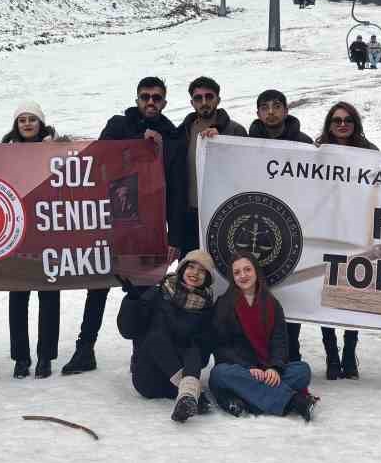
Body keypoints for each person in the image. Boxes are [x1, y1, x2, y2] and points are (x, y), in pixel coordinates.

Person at [60, 76, 186, 376]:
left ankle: (142, 353)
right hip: (112, 220)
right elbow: (97, 160)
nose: (151, 102)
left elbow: (176, 190)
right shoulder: (118, 125)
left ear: (165, 102)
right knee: (98, 287)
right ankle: (84, 348)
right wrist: (137, 146)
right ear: (137, 99)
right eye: (145, 97)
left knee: (144, 294)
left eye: (157, 97)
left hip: (147, 227)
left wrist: (174, 236)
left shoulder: (172, 135)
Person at [208, 253, 317, 421]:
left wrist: (275, 368)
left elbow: (280, 342)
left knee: (302, 370)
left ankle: (244, 398)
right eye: (237, 272)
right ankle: (293, 400)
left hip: (266, 369)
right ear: (232, 277)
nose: (243, 275)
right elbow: (220, 346)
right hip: (240, 369)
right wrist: (247, 368)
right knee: (219, 374)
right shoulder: (224, 303)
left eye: (247, 270)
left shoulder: (272, 304)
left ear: (256, 272)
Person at [2, 102, 67, 378]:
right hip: (17, 233)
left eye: (32, 119)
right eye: (22, 120)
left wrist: (64, 147)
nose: (27, 124)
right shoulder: (3, 153)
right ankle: (21, 357)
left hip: (49, 231)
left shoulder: (57, 150)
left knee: (49, 297)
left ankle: (45, 357)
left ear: (41, 123)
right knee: (18, 297)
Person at [114, 250, 217, 423]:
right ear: (182, 269)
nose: (195, 273)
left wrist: (194, 344)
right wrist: (132, 302)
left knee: (193, 348)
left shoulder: (206, 309)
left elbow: (203, 358)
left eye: (201, 271)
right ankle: (193, 393)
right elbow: (128, 331)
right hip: (149, 376)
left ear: (206, 278)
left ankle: (188, 396)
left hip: (178, 383)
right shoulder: (158, 293)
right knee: (156, 336)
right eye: (191, 267)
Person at [248, 89, 312, 363]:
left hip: (293, 229)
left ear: (286, 110)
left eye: (276, 106)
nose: (271, 112)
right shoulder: (242, 144)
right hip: (260, 225)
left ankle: (290, 351)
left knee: (291, 293)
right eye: (265, 107)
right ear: (258, 113)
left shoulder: (304, 143)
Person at [314, 101, 377, 380]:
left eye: (348, 120)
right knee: (325, 293)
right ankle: (332, 355)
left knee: (353, 292)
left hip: (357, 231)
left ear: (356, 123)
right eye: (336, 120)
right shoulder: (316, 152)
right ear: (329, 124)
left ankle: (350, 353)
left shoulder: (371, 153)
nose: (342, 124)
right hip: (325, 230)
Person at [174, 76, 246, 255]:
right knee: (191, 266)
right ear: (192, 103)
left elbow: (247, 168)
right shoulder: (182, 131)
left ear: (218, 100)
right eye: (198, 98)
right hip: (190, 215)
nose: (204, 102)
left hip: (225, 214)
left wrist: (222, 140)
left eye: (209, 96)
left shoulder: (235, 130)